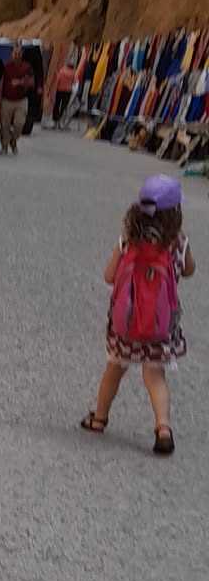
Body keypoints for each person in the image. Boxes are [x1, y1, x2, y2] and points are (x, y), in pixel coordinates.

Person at [81, 173, 195, 454]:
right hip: (159, 326)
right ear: (175, 211)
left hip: (127, 324)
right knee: (155, 377)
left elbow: (109, 276)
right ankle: (163, 429)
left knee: (114, 370)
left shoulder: (129, 240)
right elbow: (189, 270)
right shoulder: (178, 242)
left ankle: (99, 418)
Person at [0, 41, 36, 153]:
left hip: (21, 100)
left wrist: (20, 82)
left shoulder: (27, 67)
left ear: (22, 54)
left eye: (19, 53)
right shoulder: (6, 66)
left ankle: (13, 139)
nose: (17, 55)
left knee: (19, 124)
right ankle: (4, 147)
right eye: (15, 53)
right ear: (11, 54)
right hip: (6, 100)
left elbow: (32, 82)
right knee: (4, 125)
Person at [52, 55, 75, 128]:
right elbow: (73, 82)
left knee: (57, 105)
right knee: (63, 106)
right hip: (68, 91)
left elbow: (58, 80)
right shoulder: (73, 73)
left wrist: (55, 89)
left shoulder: (62, 71)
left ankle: (55, 121)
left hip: (60, 90)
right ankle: (60, 119)